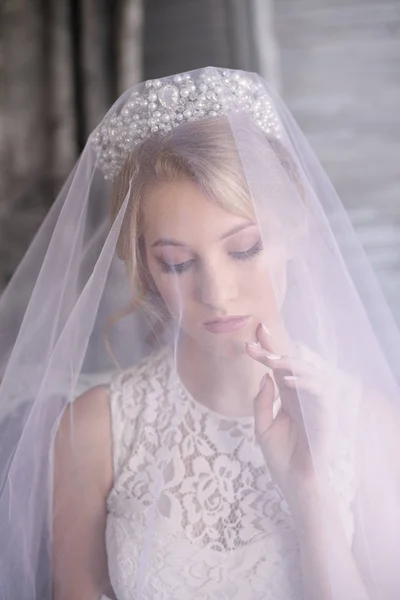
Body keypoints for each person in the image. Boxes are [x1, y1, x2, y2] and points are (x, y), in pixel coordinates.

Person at [0, 67, 399, 600]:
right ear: (142, 265)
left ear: (295, 230)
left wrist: (310, 493)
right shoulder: (94, 431)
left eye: (244, 249)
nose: (217, 291)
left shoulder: (372, 425)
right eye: (178, 263)